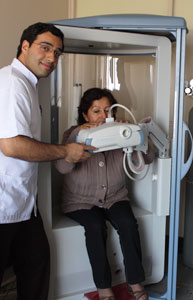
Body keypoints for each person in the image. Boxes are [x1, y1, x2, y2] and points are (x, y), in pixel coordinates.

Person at [0, 22, 94, 300]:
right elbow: (12, 145)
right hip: (4, 205)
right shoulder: (12, 84)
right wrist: (66, 151)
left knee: (36, 266)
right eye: (45, 47)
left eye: (58, 52)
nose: (52, 58)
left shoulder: (28, 85)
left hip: (23, 204)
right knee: (34, 268)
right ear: (25, 46)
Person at [55, 88, 154, 300]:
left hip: (115, 197)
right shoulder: (72, 135)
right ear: (85, 115)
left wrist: (134, 134)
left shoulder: (119, 132)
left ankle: (135, 282)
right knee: (95, 226)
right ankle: (103, 288)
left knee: (128, 224)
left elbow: (149, 157)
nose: (103, 117)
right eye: (96, 111)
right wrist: (79, 134)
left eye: (108, 111)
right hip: (79, 201)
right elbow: (62, 169)